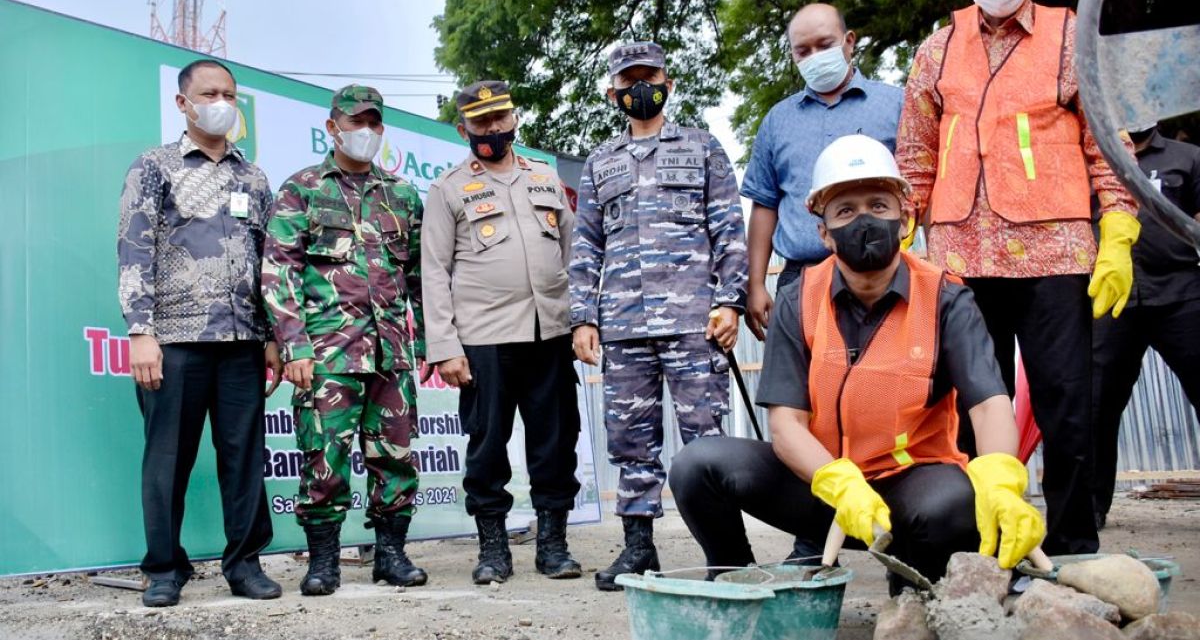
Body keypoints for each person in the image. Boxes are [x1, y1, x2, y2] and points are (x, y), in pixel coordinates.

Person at [669, 135, 1046, 588]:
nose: (864, 219)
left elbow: (988, 403)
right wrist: (837, 482)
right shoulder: (798, 299)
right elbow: (787, 425)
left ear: (905, 218)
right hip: (824, 485)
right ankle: (736, 584)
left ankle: (915, 583)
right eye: (845, 210)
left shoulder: (946, 296)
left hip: (912, 485)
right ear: (823, 232)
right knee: (697, 465)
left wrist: (1003, 477)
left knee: (955, 506)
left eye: (879, 205)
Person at [894, 0, 1139, 555]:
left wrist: (1117, 234)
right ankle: (979, 548)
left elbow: (1109, 150)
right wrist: (898, 236)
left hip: (1054, 254)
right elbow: (914, 160)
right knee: (974, 410)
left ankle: (1071, 546)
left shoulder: (1068, 37)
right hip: (961, 259)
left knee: (1068, 404)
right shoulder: (937, 50)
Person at [569, 41, 748, 590]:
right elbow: (586, 246)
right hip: (623, 325)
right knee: (630, 441)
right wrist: (583, 316)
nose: (639, 88)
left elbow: (728, 231)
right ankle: (638, 550)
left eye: (649, 77)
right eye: (628, 80)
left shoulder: (702, 147)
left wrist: (729, 300)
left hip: (695, 321)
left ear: (668, 83)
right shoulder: (601, 162)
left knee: (706, 441)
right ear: (612, 92)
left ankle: (726, 551)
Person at [118, 59, 283, 607]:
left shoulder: (253, 177)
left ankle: (245, 565)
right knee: (168, 460)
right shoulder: (154, 167)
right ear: (182, 102)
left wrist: (272, 336)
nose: (221, 101)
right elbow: (134, 248)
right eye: (209, 92)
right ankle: (164, 568)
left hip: (241, 344)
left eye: (229, 93)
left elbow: (267, 263)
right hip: (174, 341)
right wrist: (141, 332)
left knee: (243, 457)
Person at [262, 85, 426, 594]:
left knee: (395, 457)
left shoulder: (401, 195)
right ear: (332, 127)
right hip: (326, 352)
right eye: (356, 123)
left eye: (374, 123)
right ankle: (323, 561)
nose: (366, 132)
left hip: (390, 352)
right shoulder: (302, 190)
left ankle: (391, 555)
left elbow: (421, 278)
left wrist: (423, 347)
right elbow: (278, 272)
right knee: (323, 457)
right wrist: (295, 347)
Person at [421, 80, 582, 584]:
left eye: (499, 118)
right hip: (484, 337)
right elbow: (433, 270)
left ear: (514, 118)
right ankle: (493, 548)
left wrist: (582, 321)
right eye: (480, 121)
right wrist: (445, 347)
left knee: (556, 442)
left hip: (550, 332)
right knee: (487, 443)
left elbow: (574, 254)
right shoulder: (448, 188)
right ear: (463, 128)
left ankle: (553, 544)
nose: (492, 129)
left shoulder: (545, 178)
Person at [741, 3, 904, 338]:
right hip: (801, 278)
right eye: (803, 51)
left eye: (825, 45)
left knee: (884, 383)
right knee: (797, 386)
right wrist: (755, 283)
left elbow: (920, 188)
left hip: (883, 272)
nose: (815, 56)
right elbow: (764, 204)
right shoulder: (777, 121)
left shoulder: (896, 105)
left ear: (849, 41)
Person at [1092, 124, 1200, 527]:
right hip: (1110, 300)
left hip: (1181, 291)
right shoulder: (1094, 158)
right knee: (1095, 406)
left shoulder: (1187, 158)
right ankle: (1090, 510)